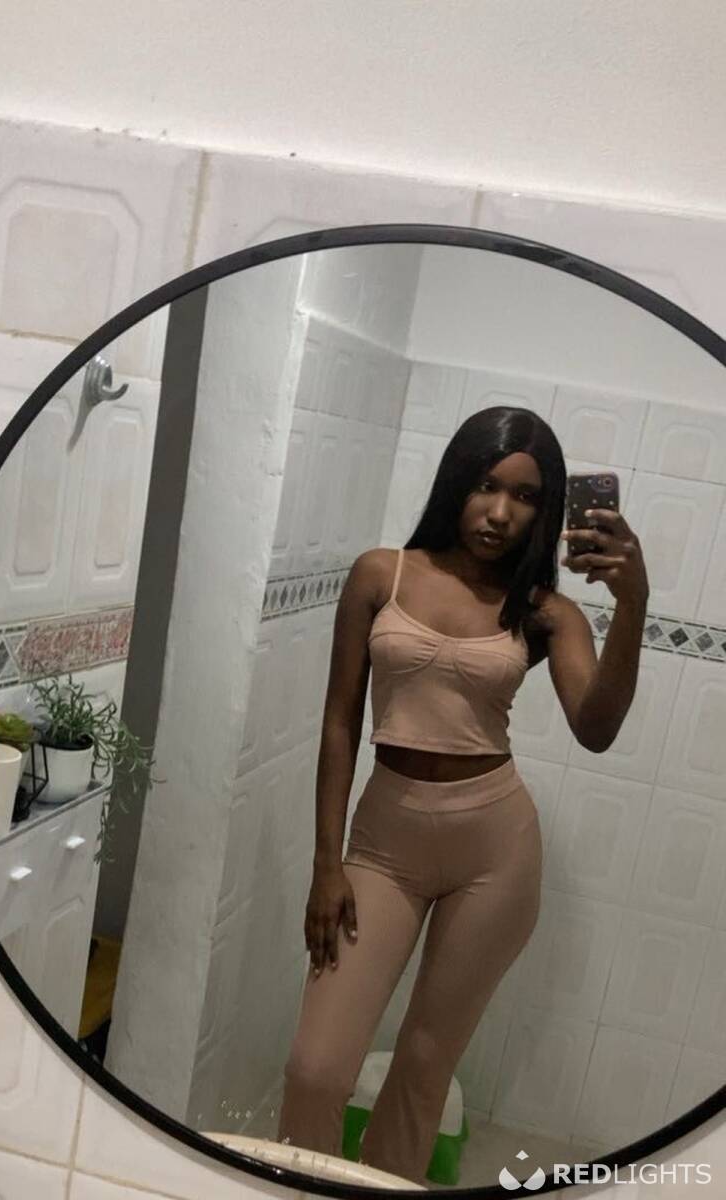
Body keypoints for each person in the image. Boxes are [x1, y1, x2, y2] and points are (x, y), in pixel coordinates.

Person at [277, 405, 649, 1186]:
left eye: (525, 497)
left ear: (545, 512)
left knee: (421, 1074)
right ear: (457, 481)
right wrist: (326, 863)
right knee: (316, 1068)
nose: (501, 512)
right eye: (487, 485)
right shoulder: (382, 574)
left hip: (494, 853)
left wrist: (633, 603)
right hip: (381, 845)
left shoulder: (546, 612)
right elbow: (340, 722)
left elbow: (596, 728)